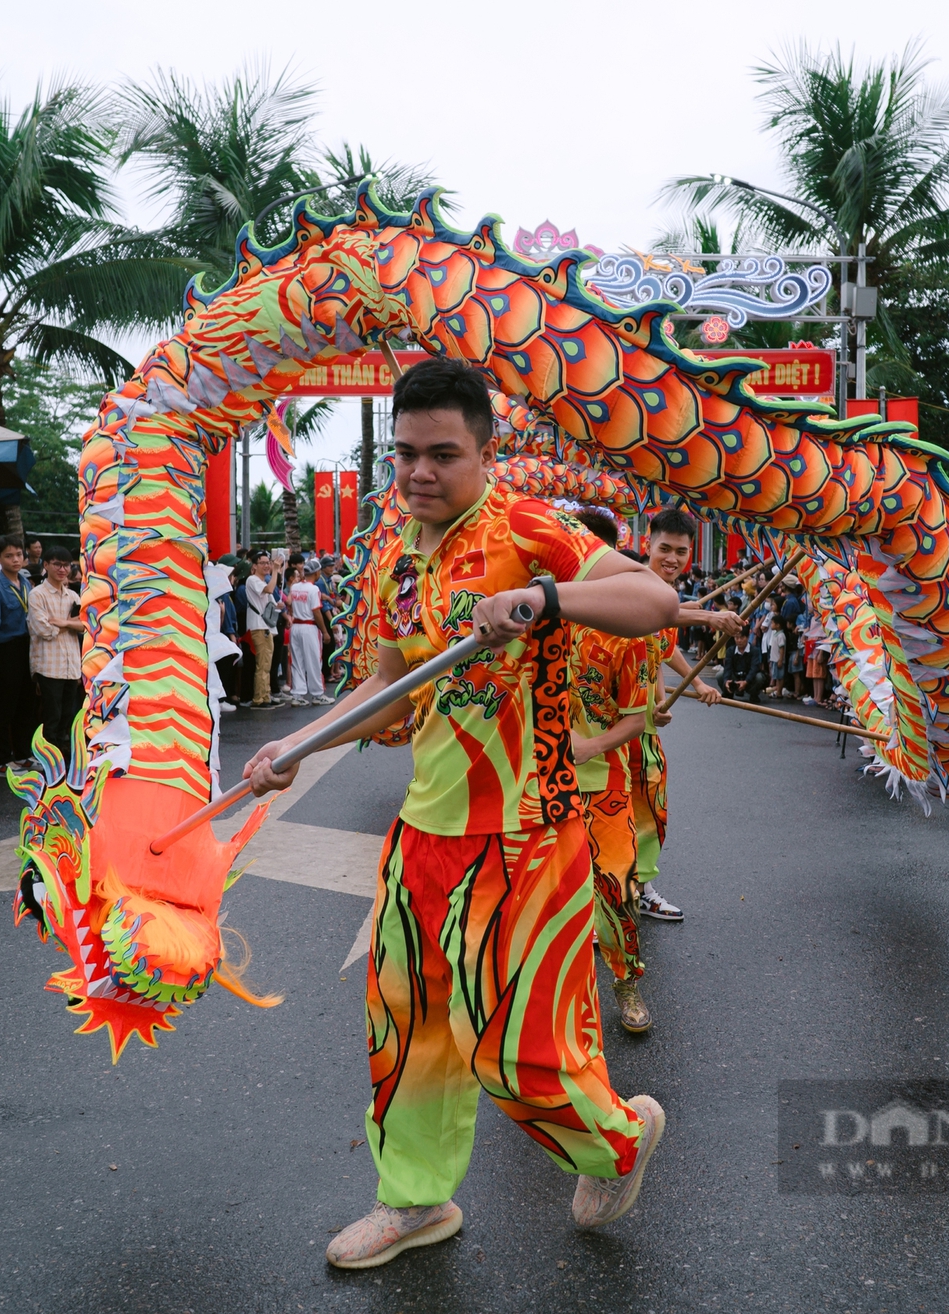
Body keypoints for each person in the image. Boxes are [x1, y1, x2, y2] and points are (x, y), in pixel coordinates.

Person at [241, 357, 676, 1269]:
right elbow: (386, 695)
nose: (419, 472)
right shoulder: (396, 555)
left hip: (528, 838)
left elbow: (652, 599)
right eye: (404, 454)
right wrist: (293, 750)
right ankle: (414, 1202)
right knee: (409, 1037)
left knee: (518, 1054)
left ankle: (618, 1143)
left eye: (442, 453)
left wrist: (544, 597)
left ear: (484, 451)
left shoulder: (525, 525)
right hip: (423, 841)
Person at [562, 510, 654, 1033]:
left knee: (614, 890)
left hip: (605, 787)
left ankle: (625, 982)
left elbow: (637, 718)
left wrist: (589, 745)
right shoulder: (538, 618)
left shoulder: (626, 632)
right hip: (536, 786)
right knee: (542, 899)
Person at [631, 507, 734, 924]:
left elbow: (662, 645)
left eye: (681, 551)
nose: (672, 559)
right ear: (647, 544)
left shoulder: (667, 596)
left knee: (650, 807)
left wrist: (696, 685)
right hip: (601, 724)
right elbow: (657, 615)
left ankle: (639, 889)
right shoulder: (631, 583)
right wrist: (710, 615)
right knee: (602, 812)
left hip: (641, 724)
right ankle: (598, 902)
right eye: (664, 549)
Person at [0, 534, 38, 770]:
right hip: (5, 649)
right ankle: (2, 759)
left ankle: (24, 753)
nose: (16, 559)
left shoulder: (24, 582)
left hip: (27, 646)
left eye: (19, 555)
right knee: (4, 704)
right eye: (9, 556)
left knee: (27, 702)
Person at [28, 546, 86, 751]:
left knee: (68, 717)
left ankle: (65, 762)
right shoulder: (37, 595)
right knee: (51, 717)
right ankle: (49, 762)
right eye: (57, 564)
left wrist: (63, 622)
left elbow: (85, 625)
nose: (63, 569)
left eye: (67, 565)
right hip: (48, 666)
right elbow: (43, 629)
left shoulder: (73, 596)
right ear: (45, 565)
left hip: (71, 666)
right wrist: (70, 623)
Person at [282, 557, 328, 705]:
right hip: (309, 627)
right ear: (316, 572)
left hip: (296, 626)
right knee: (314, 660)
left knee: (297, 661)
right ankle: (317, 694)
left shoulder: (294, 587)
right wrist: (325, 631)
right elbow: (316, 612)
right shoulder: (314, 589)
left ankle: (298, 695)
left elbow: (289, 604)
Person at [244, 552, 281, 708]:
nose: (267, 565)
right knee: (263, 664)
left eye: (268, 562)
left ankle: (265, 695)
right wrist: (275, 572)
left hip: (264, 626)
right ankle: (259, 698)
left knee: (266, 664)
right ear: (254, 566)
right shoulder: (253, 580)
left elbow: (273, 601)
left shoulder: (260, 580)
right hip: (259, 627)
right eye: (263, 563)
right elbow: (270, 589)